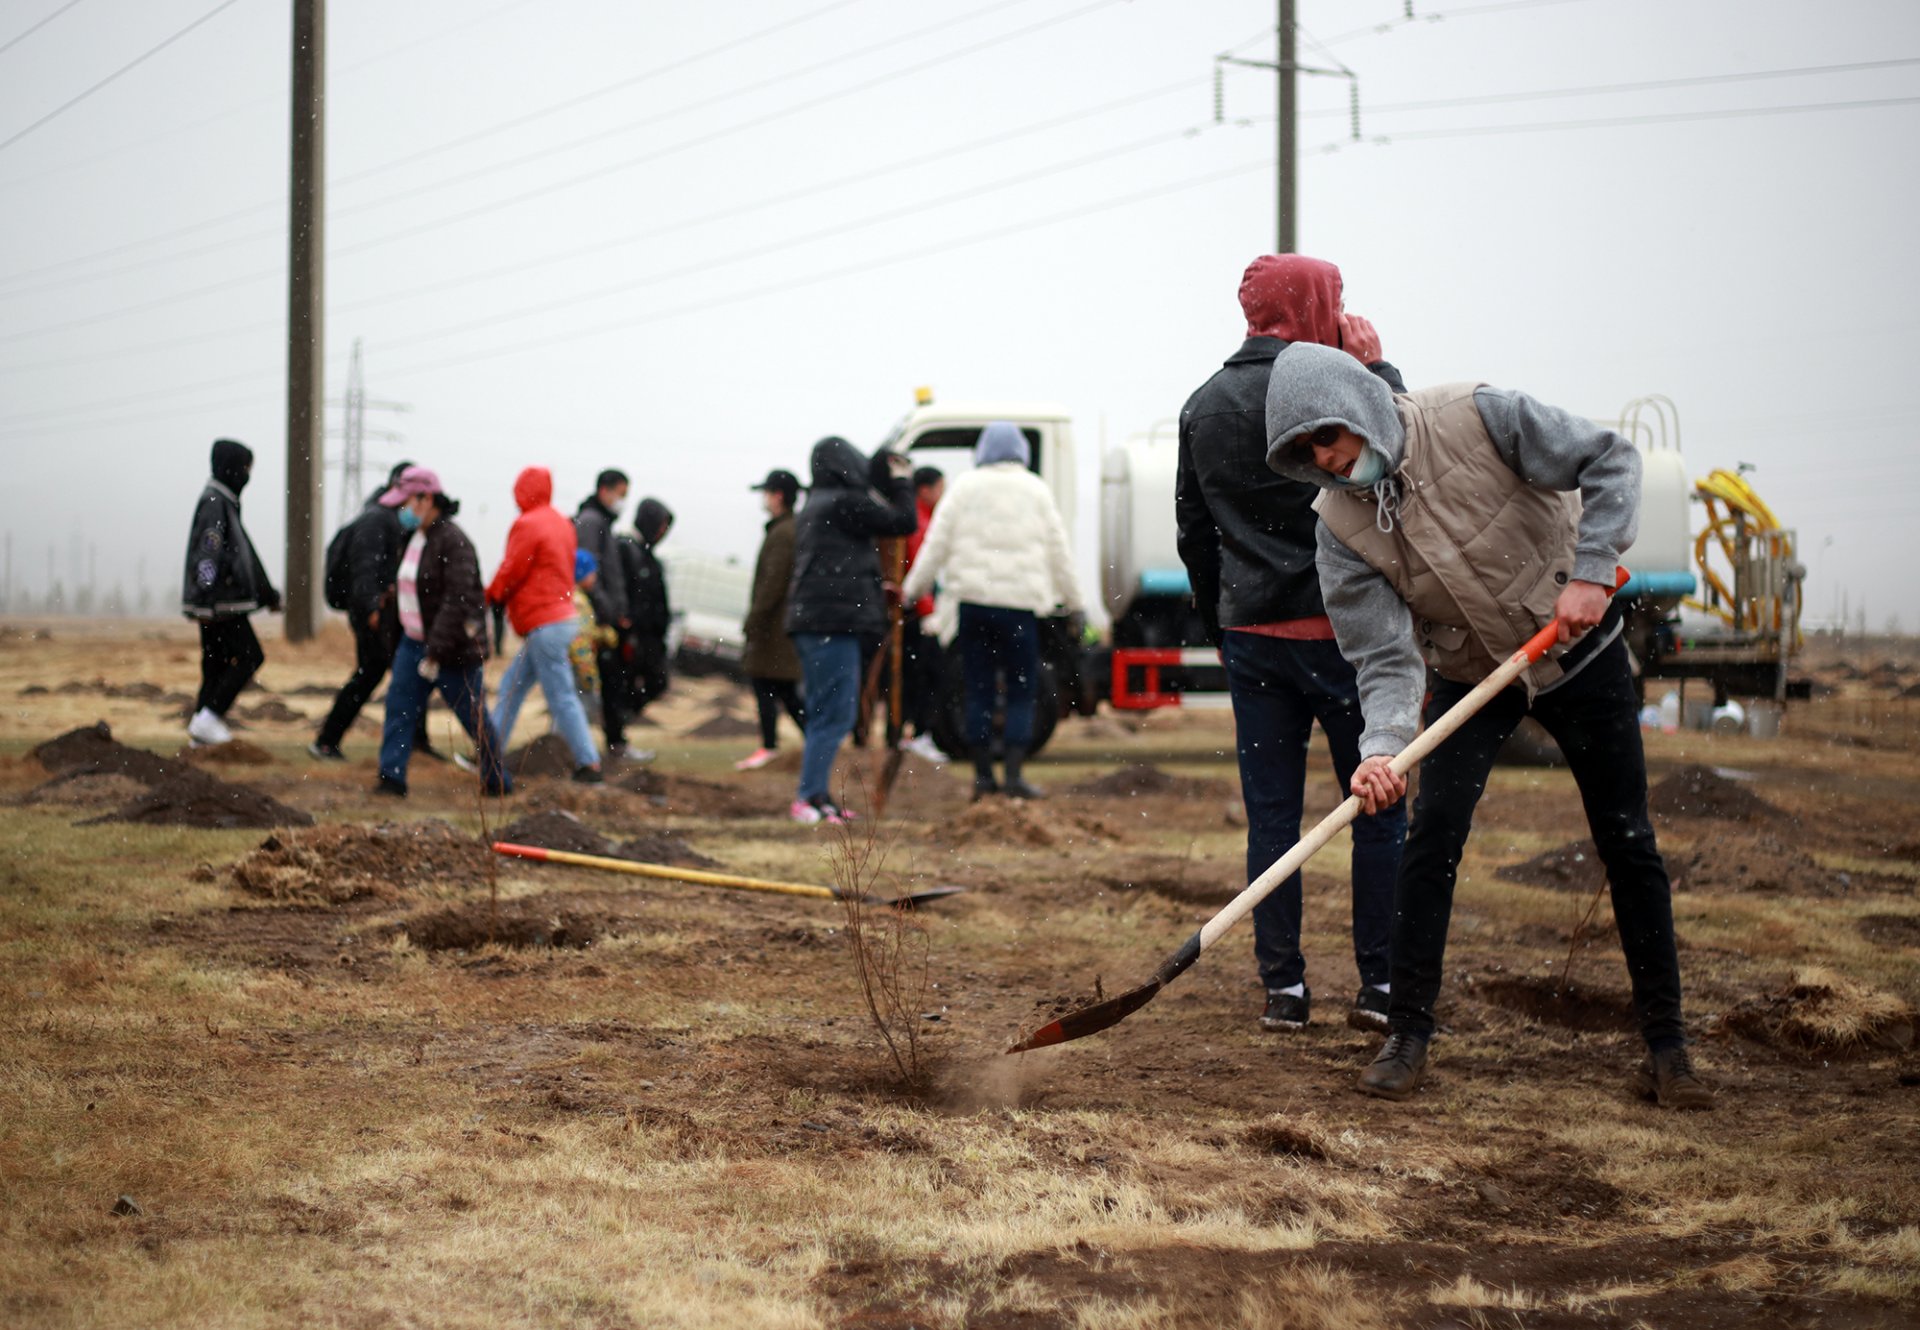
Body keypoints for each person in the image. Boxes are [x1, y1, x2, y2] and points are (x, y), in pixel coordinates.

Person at [1264, 341, 1711, 1111]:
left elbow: (1610, 460)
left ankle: (1668, 1046)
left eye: (1328, 440)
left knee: (1627, 839)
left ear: (1356, 408)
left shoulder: (1476, 416)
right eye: (1307, 455)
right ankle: (1407, 1032)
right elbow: (1382, 657)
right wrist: (1382, 750)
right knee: (1430, 836)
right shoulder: (1339, 527)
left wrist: (1592, 570)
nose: (1328, 463)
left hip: (1582, 650)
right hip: (1474, 675)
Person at [1175, 254, 1410, 1036]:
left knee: (1272, 819)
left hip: (1253, 636)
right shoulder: (1338, 388)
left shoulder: (1204, 404)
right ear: (1317, 304)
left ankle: (1285, 991)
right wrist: (1376, 365)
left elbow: (1194, 532)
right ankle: (1379, 986)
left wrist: (1223, 624)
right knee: (1377, 803)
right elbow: (1405, 460)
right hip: (1347, 635)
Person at [901, 422, 1082, 801]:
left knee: (978, 689)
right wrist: (1076, 603)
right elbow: (1058, 551)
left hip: (975, 606)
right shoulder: (1036, 490)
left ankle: (983, 777)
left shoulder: (965, 487)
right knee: (1020, 690)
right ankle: (1013, 775)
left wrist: (910, 591)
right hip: (1020, 609)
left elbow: (936, 544)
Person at [784, 437, 917, 824]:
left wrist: (875, 592)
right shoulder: (843, 502)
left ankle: (817, 796)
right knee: (835, 715)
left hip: (815, 621)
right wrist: (901, 481)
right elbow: (901, 522)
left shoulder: (818, 503)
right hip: (831, 624)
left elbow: (833, 566)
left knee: (825, 712)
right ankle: (807, 798)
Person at [375, 467, 510, 799]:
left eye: (406, 502)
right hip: (413, 643)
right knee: (399, 707)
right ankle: (391, 779)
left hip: (452, 650)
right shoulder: (413, 538)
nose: (401, 510)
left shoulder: (453, 540)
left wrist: (436, 649)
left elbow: (459, 599)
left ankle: (497, 781)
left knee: (472, 716)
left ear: (426, 498)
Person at [312, 460, 439, 762]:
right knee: (373, 672)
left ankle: (414, 741)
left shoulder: (396, 524)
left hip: (386, 611)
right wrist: (371, 607)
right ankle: (327, 741)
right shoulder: (376, 521)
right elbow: (364, 568)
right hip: (370, 611)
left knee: (405, 672)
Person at [486, 466, 602, 784]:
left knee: (561, 695)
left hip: (545, 622)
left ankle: (588, 764)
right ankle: (488, 756)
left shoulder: (528, 524)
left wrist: (490, 595)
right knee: (512, 688)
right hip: (559, 618)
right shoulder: (562, 523)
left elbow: (513, 568)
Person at [181, 438, 279, 746]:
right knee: (250, 655)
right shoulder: (215, 504)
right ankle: (208, 718)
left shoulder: (224, 503)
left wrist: (267, 595)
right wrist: (204, 602)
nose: (248, 476)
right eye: (245, 468)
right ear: (231, 468)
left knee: (216, 665)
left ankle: (200, 733)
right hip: (220, 605)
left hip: (220, 603)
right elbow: (207, 555)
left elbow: (244, 556)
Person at [737, 469, 806, 771]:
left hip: (774, 627)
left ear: (778, 495)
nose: (763, 499)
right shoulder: (788, 529)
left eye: (766, 492)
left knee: (766, 683)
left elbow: (772, 583)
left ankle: (769, 745)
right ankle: (810, 739)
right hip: (782, 625)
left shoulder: (783, 532)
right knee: (785, 690)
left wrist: (754, 619)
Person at [575, 469, 642, 761]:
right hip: (597, 620)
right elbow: (588, 573)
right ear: (605, 490)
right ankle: (589, 749)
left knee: (606, 684)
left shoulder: (602, 522)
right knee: (590, 687)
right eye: (621, 494)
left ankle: (607, 744)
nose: (622, 501)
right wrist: (607, 611)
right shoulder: (591, 522)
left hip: (605, 616)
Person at [896, 465, 948, 762]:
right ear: (925, 490)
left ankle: (911, 733)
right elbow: (919, 568)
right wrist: (929, 611)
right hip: (919, 614)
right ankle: (918, 735)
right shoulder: (919, 520)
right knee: (927, 676)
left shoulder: (918, 517)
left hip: (914, 611)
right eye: (941, 488)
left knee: (917, 676)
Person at [615, 497, 674, 741]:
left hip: (650, 635)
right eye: (660, 525)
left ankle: (621, 722)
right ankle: (617, 729)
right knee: (629, 682)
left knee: (656, 681)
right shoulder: (627, 549)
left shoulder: (649, 556)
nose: (663, 532)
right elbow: (627, 591)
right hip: (635, 634)